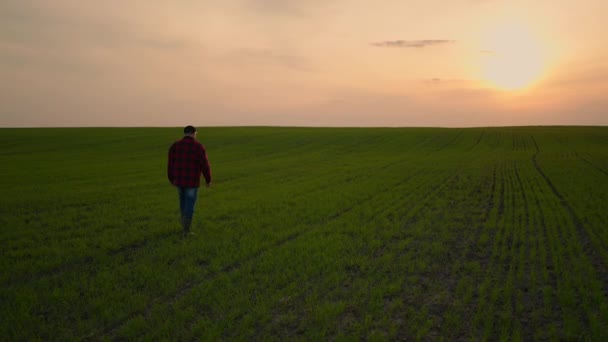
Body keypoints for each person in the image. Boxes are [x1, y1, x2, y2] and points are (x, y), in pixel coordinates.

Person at [168, 125, 212, 236]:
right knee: (190, 206)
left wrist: (171, 179)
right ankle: (186, 231)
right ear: (194, 133)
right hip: (192, 182)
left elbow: (170, 165)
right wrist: (208, 179)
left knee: (182, 204)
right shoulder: (198, 147)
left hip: (178, 181)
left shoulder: (175, 146)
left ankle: (184, 227)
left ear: (184, 133)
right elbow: (205, 165)